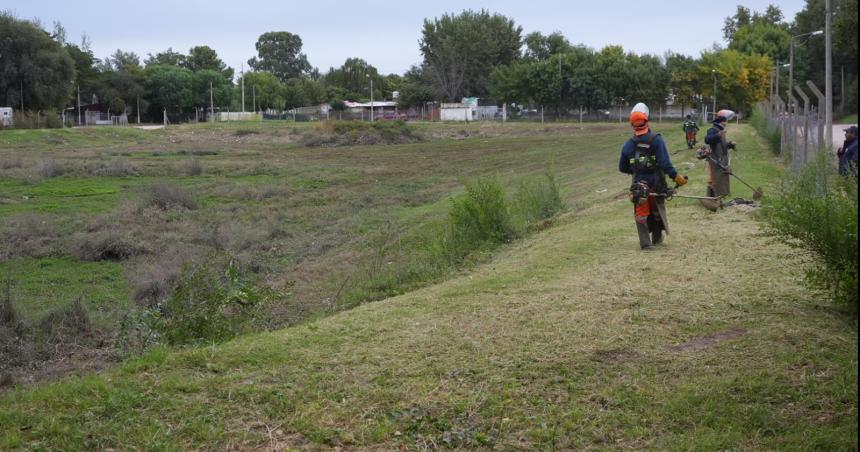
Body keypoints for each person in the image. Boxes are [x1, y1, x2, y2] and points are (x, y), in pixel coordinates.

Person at [619, 103, 688, 250]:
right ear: (647, 120)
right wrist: (676, 177)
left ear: (632, 124)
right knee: (656, 209)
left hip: (638, 183)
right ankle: (657, 238)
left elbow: (622, 167)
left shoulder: (627, 145)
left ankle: (645, 243)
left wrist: (636, 171)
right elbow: (665, 164)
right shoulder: (656, 140)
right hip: (657, 181)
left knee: (641, 212)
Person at [703, 109, 736, 198]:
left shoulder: (721, 131)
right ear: (721, 122)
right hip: (715, 158)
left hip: (722, 158)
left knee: (723, 176)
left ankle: (723, 194)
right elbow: (707, 140)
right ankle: (714, 196)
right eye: (725, 122)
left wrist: (730, 145)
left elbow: (722, 145)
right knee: (715, 178)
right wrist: (717, 135)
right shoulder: (713, 130)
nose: (726, 123)